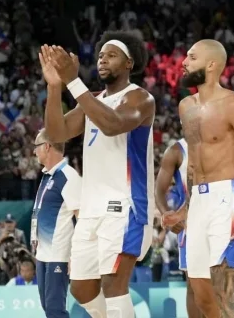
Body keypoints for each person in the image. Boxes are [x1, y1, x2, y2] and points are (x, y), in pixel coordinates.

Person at [40, 31, 156, 318]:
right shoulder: (90, 99)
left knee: (114, 284)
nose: (103, 59)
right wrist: (55, 88)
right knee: (80, 287)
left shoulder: (141, 98)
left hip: (126, 204)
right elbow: (56, 134)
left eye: (111, 55)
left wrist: (73, 82)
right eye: (101, 55)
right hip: (93, 207)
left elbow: (113, 124)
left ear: (129, 63)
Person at [171, 39, 234, 318]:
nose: (184, 62)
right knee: (202, 295)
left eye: (191, 57)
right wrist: (185, 209)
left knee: (223, 292)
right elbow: (192, 164)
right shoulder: (185, 106)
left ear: (211, 65)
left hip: (227, 198)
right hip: (198, 202)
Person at [32, 129, 81, 318]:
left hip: (58, 254)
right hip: (43, 253)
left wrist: (74, 255)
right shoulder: (47, 176)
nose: (34, 152)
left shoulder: (68, 176)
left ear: (47, 146)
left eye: (36, 147)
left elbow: (81, 217)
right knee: (48, 308)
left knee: (55, 310)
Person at [155, 138, 202, 318]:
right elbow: (159, 189)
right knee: (194, 283)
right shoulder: (176, 151)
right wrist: (167, 214)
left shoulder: (222, 140)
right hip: (190, 224)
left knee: (224, 283)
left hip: (223, 217)